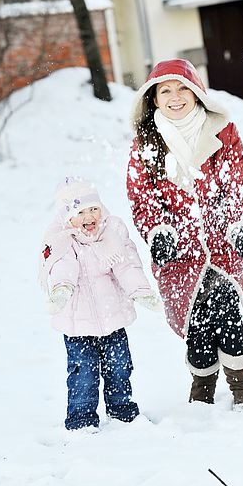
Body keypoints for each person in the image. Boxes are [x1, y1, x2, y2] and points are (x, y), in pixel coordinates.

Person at [126, 59, 243, 409]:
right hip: (178, 255)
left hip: (224, 247)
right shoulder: (145, 144)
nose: (175, 97)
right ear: (153, 99)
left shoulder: (223, 132)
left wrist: (240, 226)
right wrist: (158, 231)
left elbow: (240, 183)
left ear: (196, 93)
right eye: (165, 91)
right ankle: (202, 386)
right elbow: (141, 196)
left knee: (228, 317)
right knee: (197, 327)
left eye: (182, 88)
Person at [39, 176, 162, 431]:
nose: (89, 216)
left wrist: (140, 291)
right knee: (83, 374)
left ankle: (122, 412)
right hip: (77, 325)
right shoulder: (63, 240)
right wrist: (61, 289)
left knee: (120, 366)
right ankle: (81, 420)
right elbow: (63, 267)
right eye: (80, 211)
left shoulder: (112, 233)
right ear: (67, 217)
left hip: (113, 318)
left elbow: (127, 264)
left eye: (93, 208)